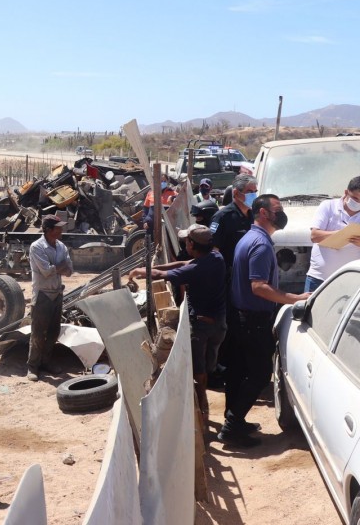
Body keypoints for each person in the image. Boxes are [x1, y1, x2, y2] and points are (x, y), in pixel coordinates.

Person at [218, 194, 310, 447]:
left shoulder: (249, 238)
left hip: (241, 316)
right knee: (259, 374)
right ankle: (232, 426)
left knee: (238, 371)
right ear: (263, 213)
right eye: (277, 209)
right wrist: (293, 298)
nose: (281, 213)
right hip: (253, 320)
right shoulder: (260, 245)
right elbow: (259, 286)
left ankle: (233, 419)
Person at [129, 224, 226, 422]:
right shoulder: (216, 258)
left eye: (186, 241)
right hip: (219, 324)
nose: (184, 244)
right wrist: (151, 267)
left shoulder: (195, 270)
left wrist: (142, 272)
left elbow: (165, 275)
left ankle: (203, 411)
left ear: (192, 244)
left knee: (198, 372)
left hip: (200, 327)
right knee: (209, 366)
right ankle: (206, 396)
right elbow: (182, 264)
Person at [208, 174, 256, 395]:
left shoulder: (253, 215)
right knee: (227, 323)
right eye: (250, 190)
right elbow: (214, 251)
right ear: (237, 193)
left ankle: (241, 365)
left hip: (250, 280)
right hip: (228, 280)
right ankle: (222, 368)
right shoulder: (223, 216)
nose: (254, 194)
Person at [27, 214, 73, 381]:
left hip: (57, 293)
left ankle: (46, 362)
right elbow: (46, 272)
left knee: (53, 332)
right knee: (38, 333)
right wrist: (60, 268)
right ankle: (32, 366)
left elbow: (69, 270)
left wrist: (57, 268)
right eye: (57, 228)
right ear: (48, 230)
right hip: (42, 295)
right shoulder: (36, 247)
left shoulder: (61, 246)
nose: (61, 230)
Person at [303, 175, 360, 292]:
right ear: (346, 192)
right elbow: (314, 236)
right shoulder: (328, 206)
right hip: (318, 279)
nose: (358, 203)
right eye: (355, 198)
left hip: (351, 281)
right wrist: (342, 234)